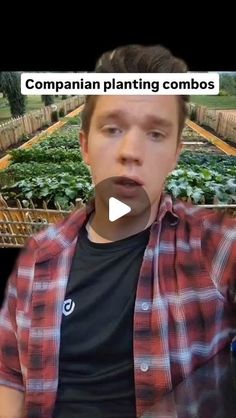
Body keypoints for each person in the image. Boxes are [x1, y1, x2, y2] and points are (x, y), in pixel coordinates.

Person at [0, 44, 235, 418]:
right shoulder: (36, 260)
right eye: (112, 128)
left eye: (155, 134)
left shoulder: (217, 250)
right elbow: (10, 376)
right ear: (85, 147)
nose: (130, 151)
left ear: (176, 152)